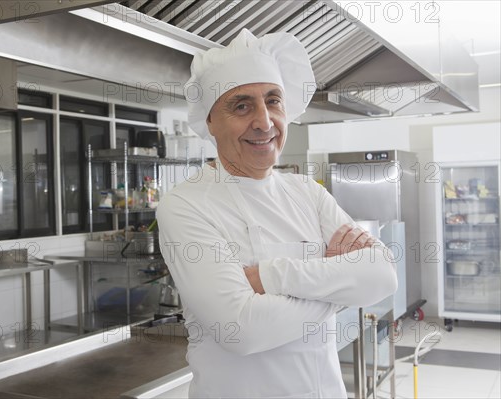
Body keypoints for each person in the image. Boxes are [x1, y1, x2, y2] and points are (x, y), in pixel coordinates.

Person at [156, 29, 398, 398]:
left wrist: (270, 275)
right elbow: (242, 330)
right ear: (209, 121)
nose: (264, 122)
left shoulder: (306, 192)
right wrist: (342, 287)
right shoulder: (187, 204)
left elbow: (382, 276)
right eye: (241, 106)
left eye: (273, 101)